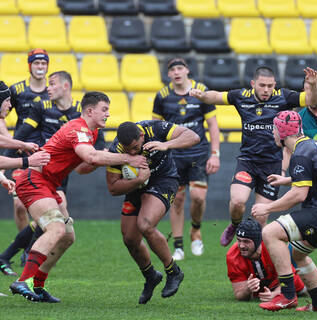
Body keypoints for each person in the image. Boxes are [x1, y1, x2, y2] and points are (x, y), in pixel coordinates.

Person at [9, 92, 148, 303]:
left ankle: (37, 286)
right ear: (90, 111)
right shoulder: (79, 128)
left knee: (67, 236)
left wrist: (102, 160)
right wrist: (128, 159)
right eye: (104, 109)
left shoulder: (90, 133)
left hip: (48, 183)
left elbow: (84, 167)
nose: (108, 114)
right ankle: (23, 280)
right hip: (33, 179)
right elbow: (90, 156)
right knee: (56, 228)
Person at [190, 66, 317, 247]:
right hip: (247, 161)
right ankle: (235, 225)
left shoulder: (283, 96)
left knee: (260, 219)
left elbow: (310, 100)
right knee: (237, 202)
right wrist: (202, 96)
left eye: (270, 86)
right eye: (262, 85)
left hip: (272, 165)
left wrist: (312, 85)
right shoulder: (241, 96)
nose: (266, 90)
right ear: (253, 84)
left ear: (275, 84)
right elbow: (217, 97)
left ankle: (255, 263)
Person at [0, 71, 105, 277]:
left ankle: (24, 261)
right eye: (7, 101)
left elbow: (95, 152)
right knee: (55, 222)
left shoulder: (83, 113)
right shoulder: (41, 106)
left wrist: (20, 147)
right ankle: (25, 266)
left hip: (55, 171)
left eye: (53, 83)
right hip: (40, 169)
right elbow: (21, 132)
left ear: (66, 86)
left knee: (58, 224)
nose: (11, 106)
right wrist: (23, 160)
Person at [106, 120, 200, 304]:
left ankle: (173, 271)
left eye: (135, 147)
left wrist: (166, 145)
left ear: (142, 136)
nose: (132, 152)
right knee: (130, 239)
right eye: (128, 150)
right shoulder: (116, 149)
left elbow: (193, 136)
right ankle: (150, 276)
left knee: (145, 224)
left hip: (164, 180)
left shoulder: (155, 128)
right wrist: (137, 180)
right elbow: (113, 188)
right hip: (137, 186)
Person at [152, 57, 220, 260]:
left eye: (180, 68)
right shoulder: (162, 96)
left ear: (187, 70)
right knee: (178, 199)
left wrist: (215, 154)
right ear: (169, 74)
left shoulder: (200, 91)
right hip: (173, 155)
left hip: (198, 154)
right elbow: (155, 128)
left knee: (198, 198)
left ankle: (196, 230)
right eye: (172, 69)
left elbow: (213, 126)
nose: (176, 72)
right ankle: (179, 246)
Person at [252, 110, 317, 312]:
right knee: (298, 254)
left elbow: (298, 195)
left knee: (270, 232)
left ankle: (288, 296)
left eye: (274, 129)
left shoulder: (299, 154)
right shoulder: (311, 145)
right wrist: (287, 180)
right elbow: (315, 172)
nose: (273, 133)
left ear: (282, 133)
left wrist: (267, 207)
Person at [0, 48, 50, 232]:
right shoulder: (16, 90)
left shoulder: (53, 93)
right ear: (30, 66)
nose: (40, 66)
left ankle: (37, 245)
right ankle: (24, 248)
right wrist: (9, 139)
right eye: (36, 63)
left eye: (44, 63)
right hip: (21, 152)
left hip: (44, 154)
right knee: (20, 206)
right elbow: (1, 116)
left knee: (46, 206)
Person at [226, 217, 306, 302]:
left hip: (291, 282)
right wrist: (248, 289)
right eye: (239, 240)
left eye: (246, 241)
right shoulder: (233, 256)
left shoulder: (272, 248)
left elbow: (291, 278)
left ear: (257, 241)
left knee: (306, 290)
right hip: (265, 290)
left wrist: (275, 294)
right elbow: (239, 295)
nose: (241, 246)